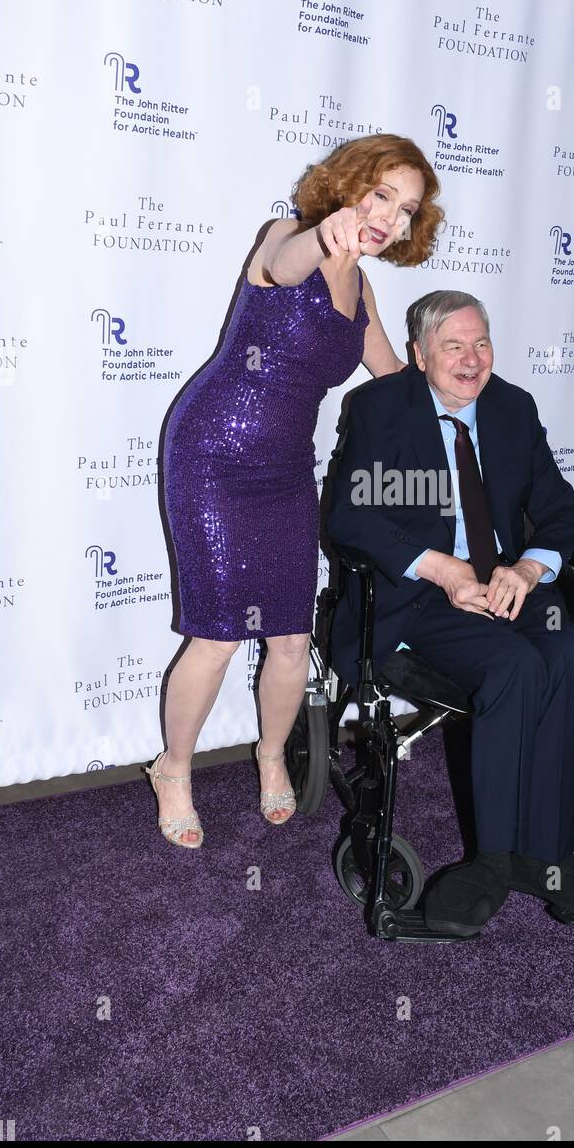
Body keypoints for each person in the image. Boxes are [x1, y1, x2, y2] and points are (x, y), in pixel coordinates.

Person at [149, 134, 444, 848]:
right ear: (348, 186)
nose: (389, 217)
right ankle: (173, 769)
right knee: (218, 637)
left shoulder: (363, 289)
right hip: (214, 454)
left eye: (406, 210)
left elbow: (391, 377)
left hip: (285, 471)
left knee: (290, 637)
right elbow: (285, 264)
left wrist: (449, 382)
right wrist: (323, 235)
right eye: (380, 195)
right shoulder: (286, 237)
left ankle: (272, 755)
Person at [326, 290, 574, 934]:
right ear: (419, 354)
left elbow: (561, 510)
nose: (472, 360)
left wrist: (528, 569)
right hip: (421, 596)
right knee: (514, 666)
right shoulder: (380, 408)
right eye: (454, 346)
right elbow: (350, 516)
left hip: (507, 584)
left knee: (566, 658)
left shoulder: (513, 408)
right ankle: (492, 861)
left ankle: (545, 858)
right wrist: (441, 568)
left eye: (481, 343)